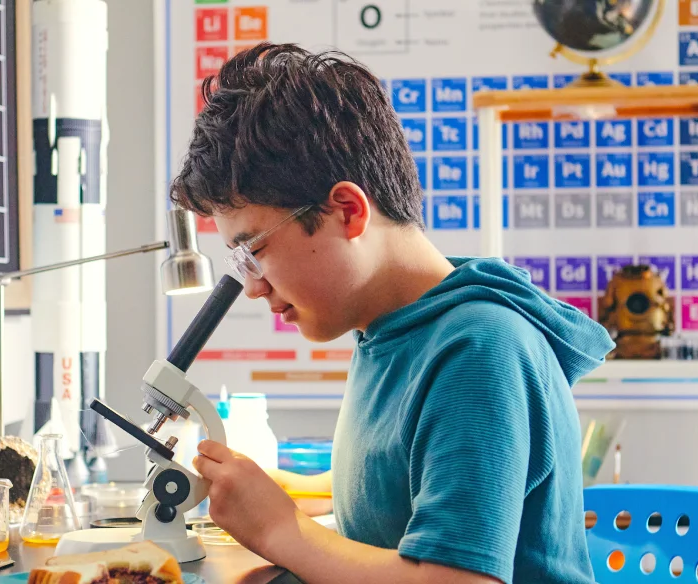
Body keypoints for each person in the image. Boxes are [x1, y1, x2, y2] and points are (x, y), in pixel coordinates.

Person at [173, 42, 616, 584]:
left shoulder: (480, 349)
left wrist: (282, 530)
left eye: (255, 251)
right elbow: (392, 529)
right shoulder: (387, 334)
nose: (253, 287)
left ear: (348, 211)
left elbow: (457, 580)